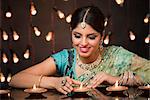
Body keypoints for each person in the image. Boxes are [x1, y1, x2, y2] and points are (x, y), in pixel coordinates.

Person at [9, 5, 150, 95]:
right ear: (71, 32)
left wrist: (114, 79)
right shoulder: (66, 59)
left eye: (91, 37)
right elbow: (15, 80)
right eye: (77, 36)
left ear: (102, 37)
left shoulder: (117, 56)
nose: (83, 43)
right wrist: (54, 82)